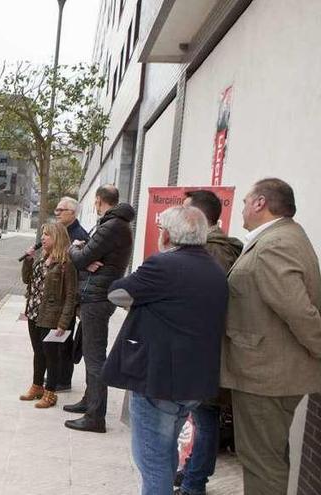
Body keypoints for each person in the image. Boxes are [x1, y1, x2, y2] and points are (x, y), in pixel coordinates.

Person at [103, 205, 228, 494]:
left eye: (161, 230)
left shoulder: (164, 265)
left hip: (159, 381)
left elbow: (117, 292)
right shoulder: (215, 269)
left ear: (169, 235)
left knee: (153, 461)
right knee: (167, 451)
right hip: (194, 383)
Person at [222, 178, 321, 495]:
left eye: (245, 201)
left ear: (260, 203)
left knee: (262, 464)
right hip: (267, 371)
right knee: (270, 459)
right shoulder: (279, 237)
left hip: (266, 376)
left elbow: (298, 311)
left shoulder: (275, 243)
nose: (242, 207)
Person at [178, 190, 243, 495]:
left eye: (184, 210)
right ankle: (192, 475)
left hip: (206, 352)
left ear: (198, 217)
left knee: (204, 417)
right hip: (205, 349)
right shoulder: (213, 249)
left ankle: (194, 484)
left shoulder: (214, 252)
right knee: (203, 417)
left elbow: (203, 306)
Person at [63, 184, 134, 433]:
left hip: (96, 297)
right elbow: (87, 259)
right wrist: (84, 253)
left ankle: (95, 416)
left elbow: (81, 258)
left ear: (98, 200)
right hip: (96, 294)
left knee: (94, 358)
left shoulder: (112, 226)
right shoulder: (115, 224)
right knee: (91, 353)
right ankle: (89, 401)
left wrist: (76, 248)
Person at [26, 196, 90, 391]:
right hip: (40, 309)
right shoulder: (46, 254)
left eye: (61, 210)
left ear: (72, 212)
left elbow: (75, 283)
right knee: (44, 350)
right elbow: (30, 280)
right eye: (56, 210)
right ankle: (43, 384)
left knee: (59, 348)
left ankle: (60, 382)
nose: (57, 213)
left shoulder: (79, 236)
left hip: (60, 307)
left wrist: (67, 315)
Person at [19, 222, 78, 409]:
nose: (43, 238)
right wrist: (28, 260)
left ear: (58, 238)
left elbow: (71, 295)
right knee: (38, 352)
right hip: (34, 312)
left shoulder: (66, 263)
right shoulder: (42, 257)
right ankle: (37, 386)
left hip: (52, 316)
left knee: (51, 355)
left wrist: (63, 322)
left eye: (47, 235)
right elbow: (27, 280)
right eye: (42, 234)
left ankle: (50, 393)